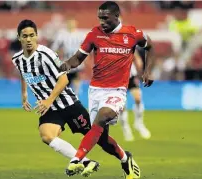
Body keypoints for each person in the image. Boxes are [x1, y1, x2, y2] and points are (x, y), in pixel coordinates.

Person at [11, 19, 142, 177]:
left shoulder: (46, 55)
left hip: (68, 104)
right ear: (19, 37)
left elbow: (64, 79)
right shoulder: (17, 59)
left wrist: (49, 100)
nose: (29, 39)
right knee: (46, 135)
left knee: (101, 139)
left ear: (37, 36)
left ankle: (124, 157)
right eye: (25, 36)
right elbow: (24, 74)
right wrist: (24, 95)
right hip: (51, 109)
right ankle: (86, 162)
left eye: (32, 35)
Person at [60, 1, 154, 178]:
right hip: (96, 90)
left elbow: (150, 46)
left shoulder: (132, 33)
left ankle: (76, 159)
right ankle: (125, 158)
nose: (102, 21)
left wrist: (147, 71)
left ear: (116, 16)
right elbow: (78, 58)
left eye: (105, 18)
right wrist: (63, 66)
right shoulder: (94, 34)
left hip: (117, 90)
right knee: (102, 139)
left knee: (102, 117)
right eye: (99, 18)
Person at [119, 50, 151, 141]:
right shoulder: (112, 46)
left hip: (131, 76)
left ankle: (139, 123)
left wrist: (139, 72)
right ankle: (125, 128)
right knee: (122, 105)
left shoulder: (129, 43)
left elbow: (137, 59)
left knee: (138, 98)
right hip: (118, 79)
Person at [51, 17, 85, 96]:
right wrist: (57, 60)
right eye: (69, 23)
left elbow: (87, 48)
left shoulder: (81, 35)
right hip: (66, 62)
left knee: (77, 78)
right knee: (64, 82)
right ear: (66, 24)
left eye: (73, 23)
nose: (71, 25)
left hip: (77, 63)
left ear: (76, 24)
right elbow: (54, 48)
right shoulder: (61, 35)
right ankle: (64, 97)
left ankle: (76, 96)